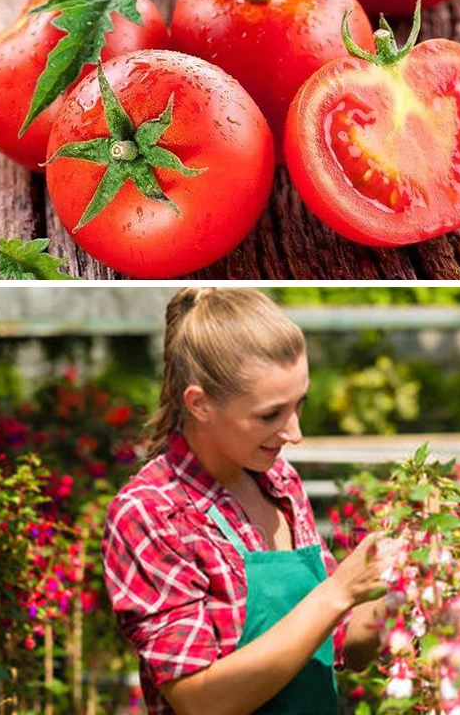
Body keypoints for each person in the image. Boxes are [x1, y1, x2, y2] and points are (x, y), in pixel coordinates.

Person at [102, 287, 388, 715]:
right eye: (270, 415)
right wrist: (336, 593)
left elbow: (342, 645)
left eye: (299, 405)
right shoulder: (151, 513)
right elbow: (201, 701)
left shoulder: (280, 483)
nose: (295, 433)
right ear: (199, 404)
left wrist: (400, 587)